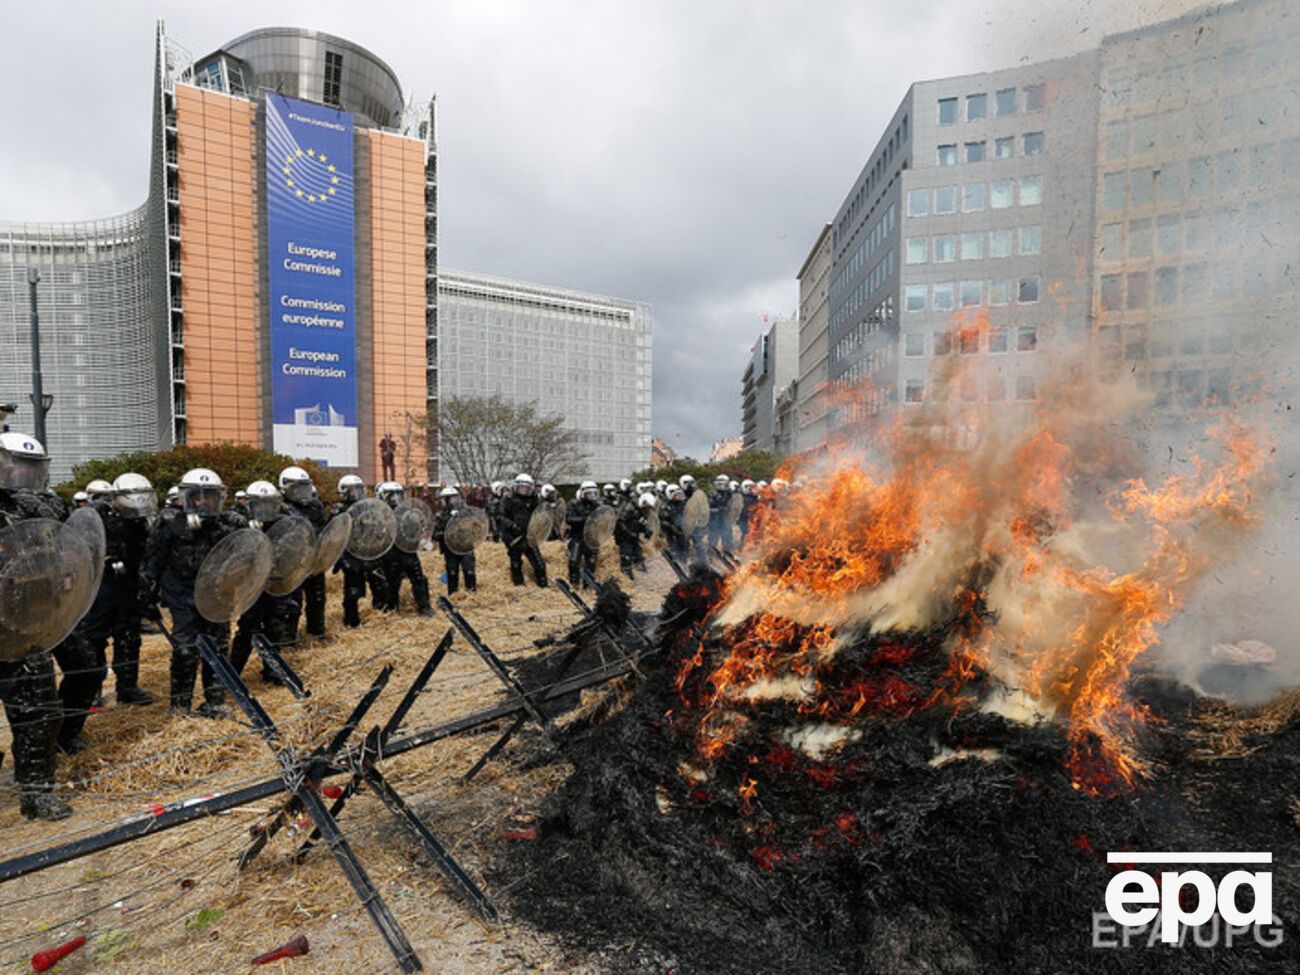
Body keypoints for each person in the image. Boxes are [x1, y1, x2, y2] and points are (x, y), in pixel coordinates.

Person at [0, 433, 73, 820]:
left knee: (40, 715)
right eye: (16, 465)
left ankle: (36, 793)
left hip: (25, 628)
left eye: (30, 468)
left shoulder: (33, 508)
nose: (22, 474)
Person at [139, 467, 247, 717]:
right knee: (185, 650)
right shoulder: (169, 524)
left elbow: (245, 558)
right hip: (182, 594)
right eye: (196, 496)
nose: (202, 502)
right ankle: (180, 706)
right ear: (185, 497)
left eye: (208, 496)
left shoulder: (229, 524)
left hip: (218, 596)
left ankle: (215, 700)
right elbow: (152, 562)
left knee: (218, 648)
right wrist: (146, 598)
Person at [83, 472, 156, 707]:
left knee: (129, 637)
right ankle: (92, 689)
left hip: (129, 585)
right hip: (100, 585)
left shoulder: (141, 518)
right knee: (95, 637)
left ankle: (127, 688)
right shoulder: (96, 514)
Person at [230, 481, 302, 681]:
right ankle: (233, 672)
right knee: (247, 630)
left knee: (276, 627)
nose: (264, 508)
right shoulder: (239, 524)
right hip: (252, 587)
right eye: (259, 504)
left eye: (269, 504)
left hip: (275, 584)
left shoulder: (284, 524)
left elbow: (294, 553)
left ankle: (272, 671)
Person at [331, 474, 385, 628]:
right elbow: (334, 538)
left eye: (358, 490)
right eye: (351, 491)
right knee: (353, 591)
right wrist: (341, 559)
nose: (356, 494)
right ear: (343, 492)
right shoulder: (339, 511)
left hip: (369, 552)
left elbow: (376, 529)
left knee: (380, 585)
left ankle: (380, 613)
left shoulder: (369, 509)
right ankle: (351, 621)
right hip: (351, 555)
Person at [279, 466, 327, 639]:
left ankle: (317, 633)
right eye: (296, 488)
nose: (301, 492)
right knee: (292, 604)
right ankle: (288, 640)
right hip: (291, 565)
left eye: (304, 487)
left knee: (318, 599)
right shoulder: (279, 507)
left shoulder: (314, 507)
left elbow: (323, 529)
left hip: (314, 561)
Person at [376, 482, 434, 615]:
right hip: (389, 554)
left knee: (419, 579)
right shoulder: (379, 514)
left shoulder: (407, 512)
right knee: (391, 583)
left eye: (397, 495)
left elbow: (416, 532)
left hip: (408, 552)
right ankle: (391, 609)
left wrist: (416, 524)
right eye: (391, 495)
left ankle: (424, 607)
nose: (395, 498)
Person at [499, 473, 549, 588]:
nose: (524, 490)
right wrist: (512, 525)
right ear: (517, 486)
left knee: (539, 563)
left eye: (527, 488)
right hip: (514, 537)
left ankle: (543, 586)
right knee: (516, 563)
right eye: (522, 487)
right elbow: (500, 516)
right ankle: (519, 586)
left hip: (529, 536)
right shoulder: (508, 499)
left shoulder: (534, 499)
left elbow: (539, 513)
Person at [432, 486, 477, 594]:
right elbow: (434, 535)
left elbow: (475, 527)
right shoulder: (440, 516)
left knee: (469, 571)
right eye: (449, 499)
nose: (453, 502)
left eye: (454, 498)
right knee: (452, 573)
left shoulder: (465, 512)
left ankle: (472, 594)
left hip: (465, 547)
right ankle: (453, 595)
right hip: (450, 549)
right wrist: (446, 534)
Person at [565, 481, 601, 586]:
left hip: (591, 538)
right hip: (577, 537)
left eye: (594, 493)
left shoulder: (596, 505)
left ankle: (588, 585)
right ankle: (574, 583)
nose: (592, 495)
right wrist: (585, 519)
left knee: (591, 562)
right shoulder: (574, 503)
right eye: (589, 493)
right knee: (574, 561)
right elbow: (569, 519)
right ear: (582, 493)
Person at [615, 492, 657, 579]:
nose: (648, 509)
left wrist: (646, 532)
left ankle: (643, 578)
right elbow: (620, 522)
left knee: (639, 557)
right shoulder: (630, 508)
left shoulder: (643, 510)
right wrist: (630, 533)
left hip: (634, 536)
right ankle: (626, 579)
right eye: (647, 507)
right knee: (627, 556)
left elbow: (640, 523)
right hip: (624, 537)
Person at [708, 474, 735, 556]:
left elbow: (733, 504)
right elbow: (706, 507)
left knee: (727, 537)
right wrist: (714, 510)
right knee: (713, 538)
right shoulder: (712, 494)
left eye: (724, 484)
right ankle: (710, 555)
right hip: (714, 519)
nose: (722, 486)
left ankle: (728, 553)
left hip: (725, 518)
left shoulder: (729, 493)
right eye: (720, 483)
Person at [662, 484, 689, 562]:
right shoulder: (666, 506)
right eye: (676, 495)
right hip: (671, 531)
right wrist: (671, 526)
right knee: (674, 547)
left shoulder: (682, 504)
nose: (679, 496)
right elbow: (663, 521)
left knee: (685, 545)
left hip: (682, 529)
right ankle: (676, 562)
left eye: (679, 494)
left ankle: (684, 561)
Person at [738, 479, 759, 545]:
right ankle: (742, 549)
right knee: (746, 534)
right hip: (746, 520)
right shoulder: (746, 499)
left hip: (751, 520)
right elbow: (744, 511)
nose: (754, 489)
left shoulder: (753, 498)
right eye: (751, 487)